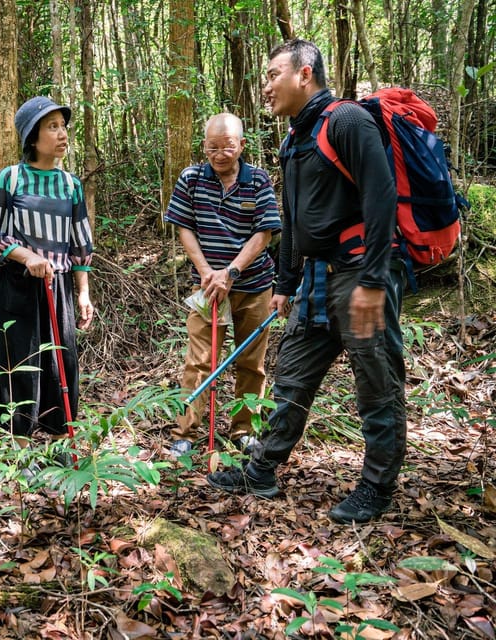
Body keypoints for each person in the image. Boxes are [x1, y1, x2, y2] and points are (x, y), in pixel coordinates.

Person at [207, 39, 407, 524]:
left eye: (273, 74)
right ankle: (262, 469)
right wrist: (285, 283)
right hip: (313, 283)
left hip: (360, 274)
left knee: (377, 384)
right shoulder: (295, 137)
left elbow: (382, 197)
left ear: (305, 73)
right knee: (292, 377)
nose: (265, 86)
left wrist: (375, 281)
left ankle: (377, 487)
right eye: (263, 77)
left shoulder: (347, 120)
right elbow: (294, 219)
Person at [0, 96, 95, 465]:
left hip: (58, 286)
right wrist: (27, 256)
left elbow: (80, 243)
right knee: (19, 362)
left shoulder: (70, 185)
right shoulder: (9, 179)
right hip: (17, 287)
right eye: (53, 127)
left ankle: (61, 443)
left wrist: (83, 294)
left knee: (62, 362)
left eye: (64, 126)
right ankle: (20, 453)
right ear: (32, 136)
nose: (62, 135)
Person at [164, 112, 281, 456]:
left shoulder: (258, 181)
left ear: (241, 145)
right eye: (212, 147)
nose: (219, 154)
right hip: (206, 287)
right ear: (204, 147)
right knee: (199, 359)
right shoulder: (191, 179)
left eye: (227, 146)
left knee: (250, 361)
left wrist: (230, 272)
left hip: (254, 285)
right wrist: (205, 271)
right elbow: (184, 226)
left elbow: (265, 233)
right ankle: (186, 432)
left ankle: (244, 429)